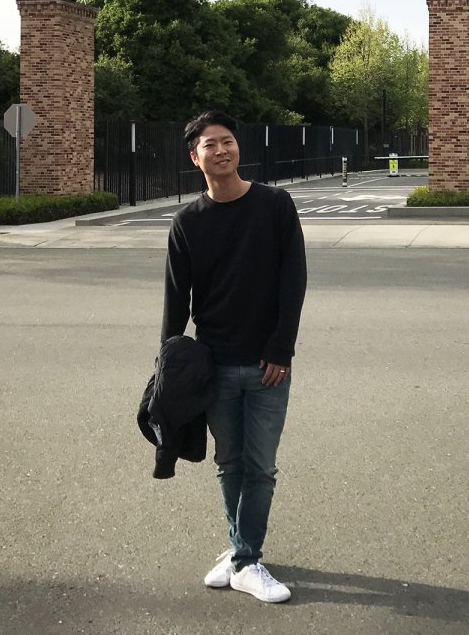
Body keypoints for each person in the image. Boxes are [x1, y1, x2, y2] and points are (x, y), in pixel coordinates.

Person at [161, 111, 307, 603]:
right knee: (228, 463)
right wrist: (167, 368)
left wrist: (281, 348)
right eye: (210, 145)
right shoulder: (187, 222)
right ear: (194, 156)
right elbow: (176, 299)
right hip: (216, 364)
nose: (221, 151)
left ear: (237, 149)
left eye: (228, 142)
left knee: (260, 466)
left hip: (268, 364)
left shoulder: (274, 205)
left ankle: (244, 559)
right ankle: (243, 551)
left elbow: (293, 282)